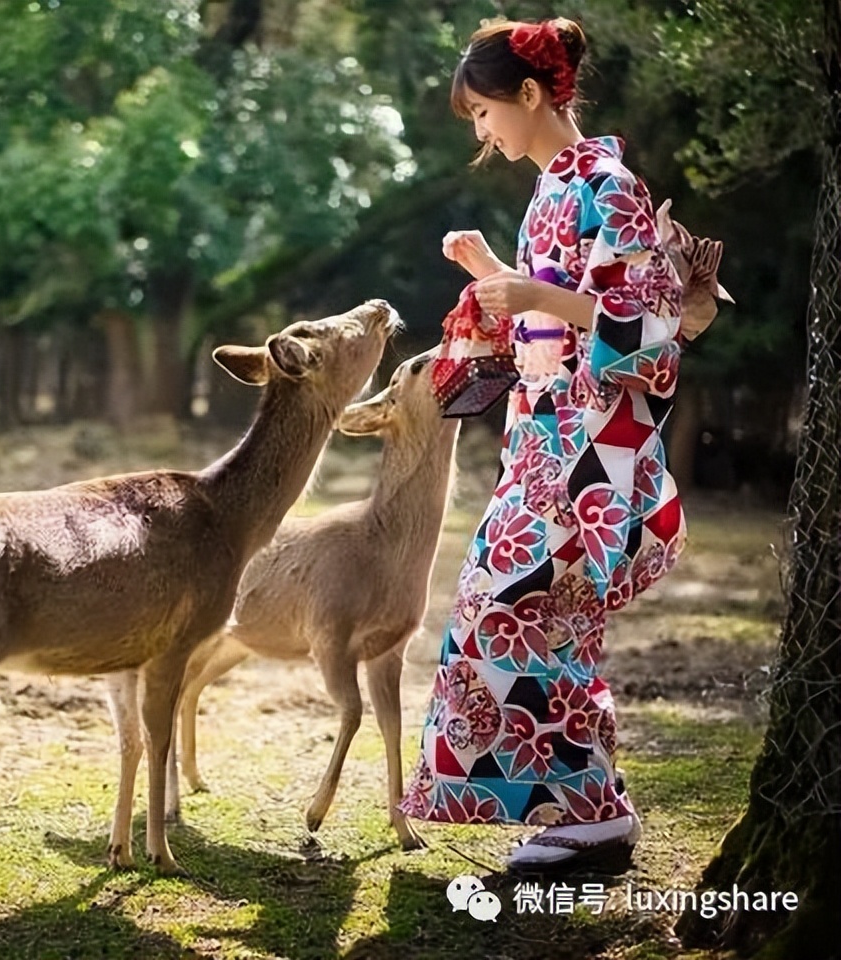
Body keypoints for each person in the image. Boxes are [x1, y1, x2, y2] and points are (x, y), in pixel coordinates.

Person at [398, 16, 687, 872]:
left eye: (484, 112)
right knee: (526, 619)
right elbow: (548, 314)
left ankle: (594, 812)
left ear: (529, 95)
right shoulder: (554, 189)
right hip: (545, 442)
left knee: (523, 614)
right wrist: (496, 275)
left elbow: (653, 325)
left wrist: (530, 292)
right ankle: (588, 805)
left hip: (593, 447)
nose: (482, 131)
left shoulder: (608, 182)